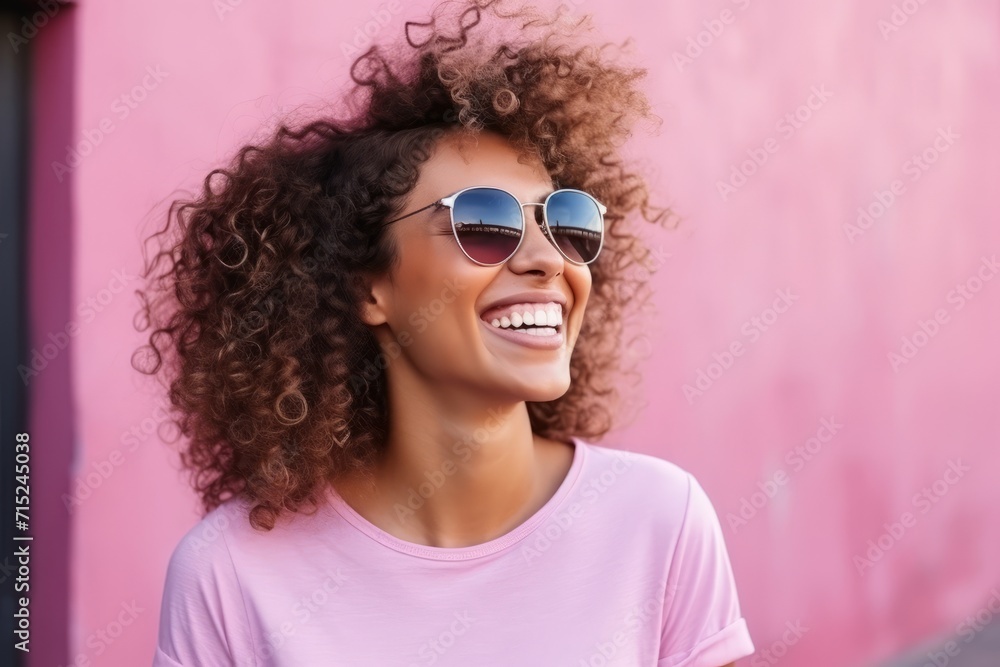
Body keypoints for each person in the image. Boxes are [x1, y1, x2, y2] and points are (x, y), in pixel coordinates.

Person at [136, 1, 755, 664]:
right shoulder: (230, 575)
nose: (549, 258)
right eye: (485, 224)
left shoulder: (658, 522)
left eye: (565, 221)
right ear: (366, 287)